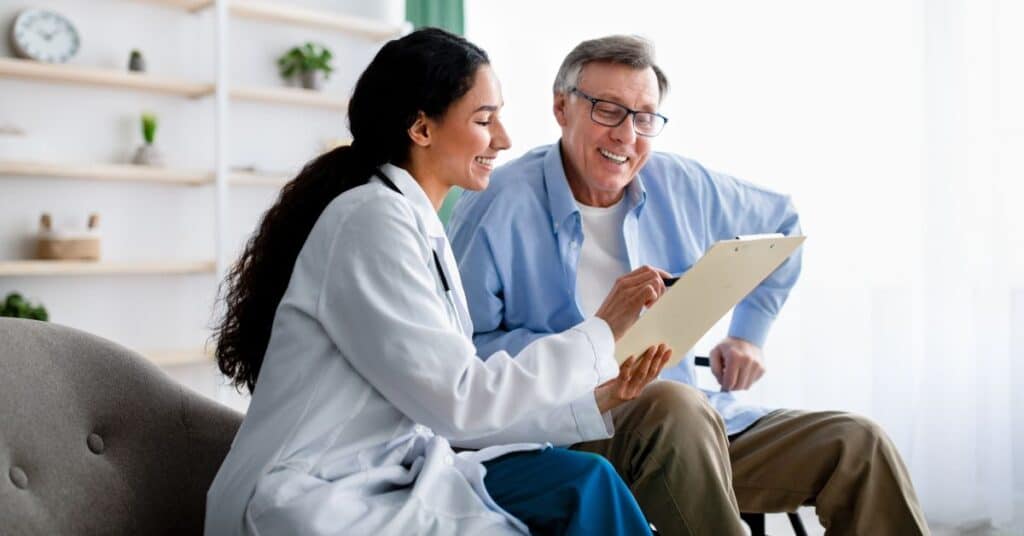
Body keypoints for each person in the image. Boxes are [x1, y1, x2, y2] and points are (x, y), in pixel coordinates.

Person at [448, 34, 930, 535]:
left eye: (643, 117)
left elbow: (783, 223)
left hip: (694, 425)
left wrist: (748, 334)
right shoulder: (497, 204)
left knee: (857, 444)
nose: (626, 136)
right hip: (572, 428)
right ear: (561, 108)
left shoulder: (681, 185)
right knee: (674, 405)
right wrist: (593, 346)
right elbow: (464, 357)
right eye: (608, 110)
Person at [204, 28, 673, 536]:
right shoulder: (369, 221)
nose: (504, 139)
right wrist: (601, 331)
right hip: (310, 494)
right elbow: (460, 402)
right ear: (422, 129)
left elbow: (448, 407)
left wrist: (597, 400)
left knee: (587, 479)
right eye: (483, 119)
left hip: (387, 472)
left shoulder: (415, 222)